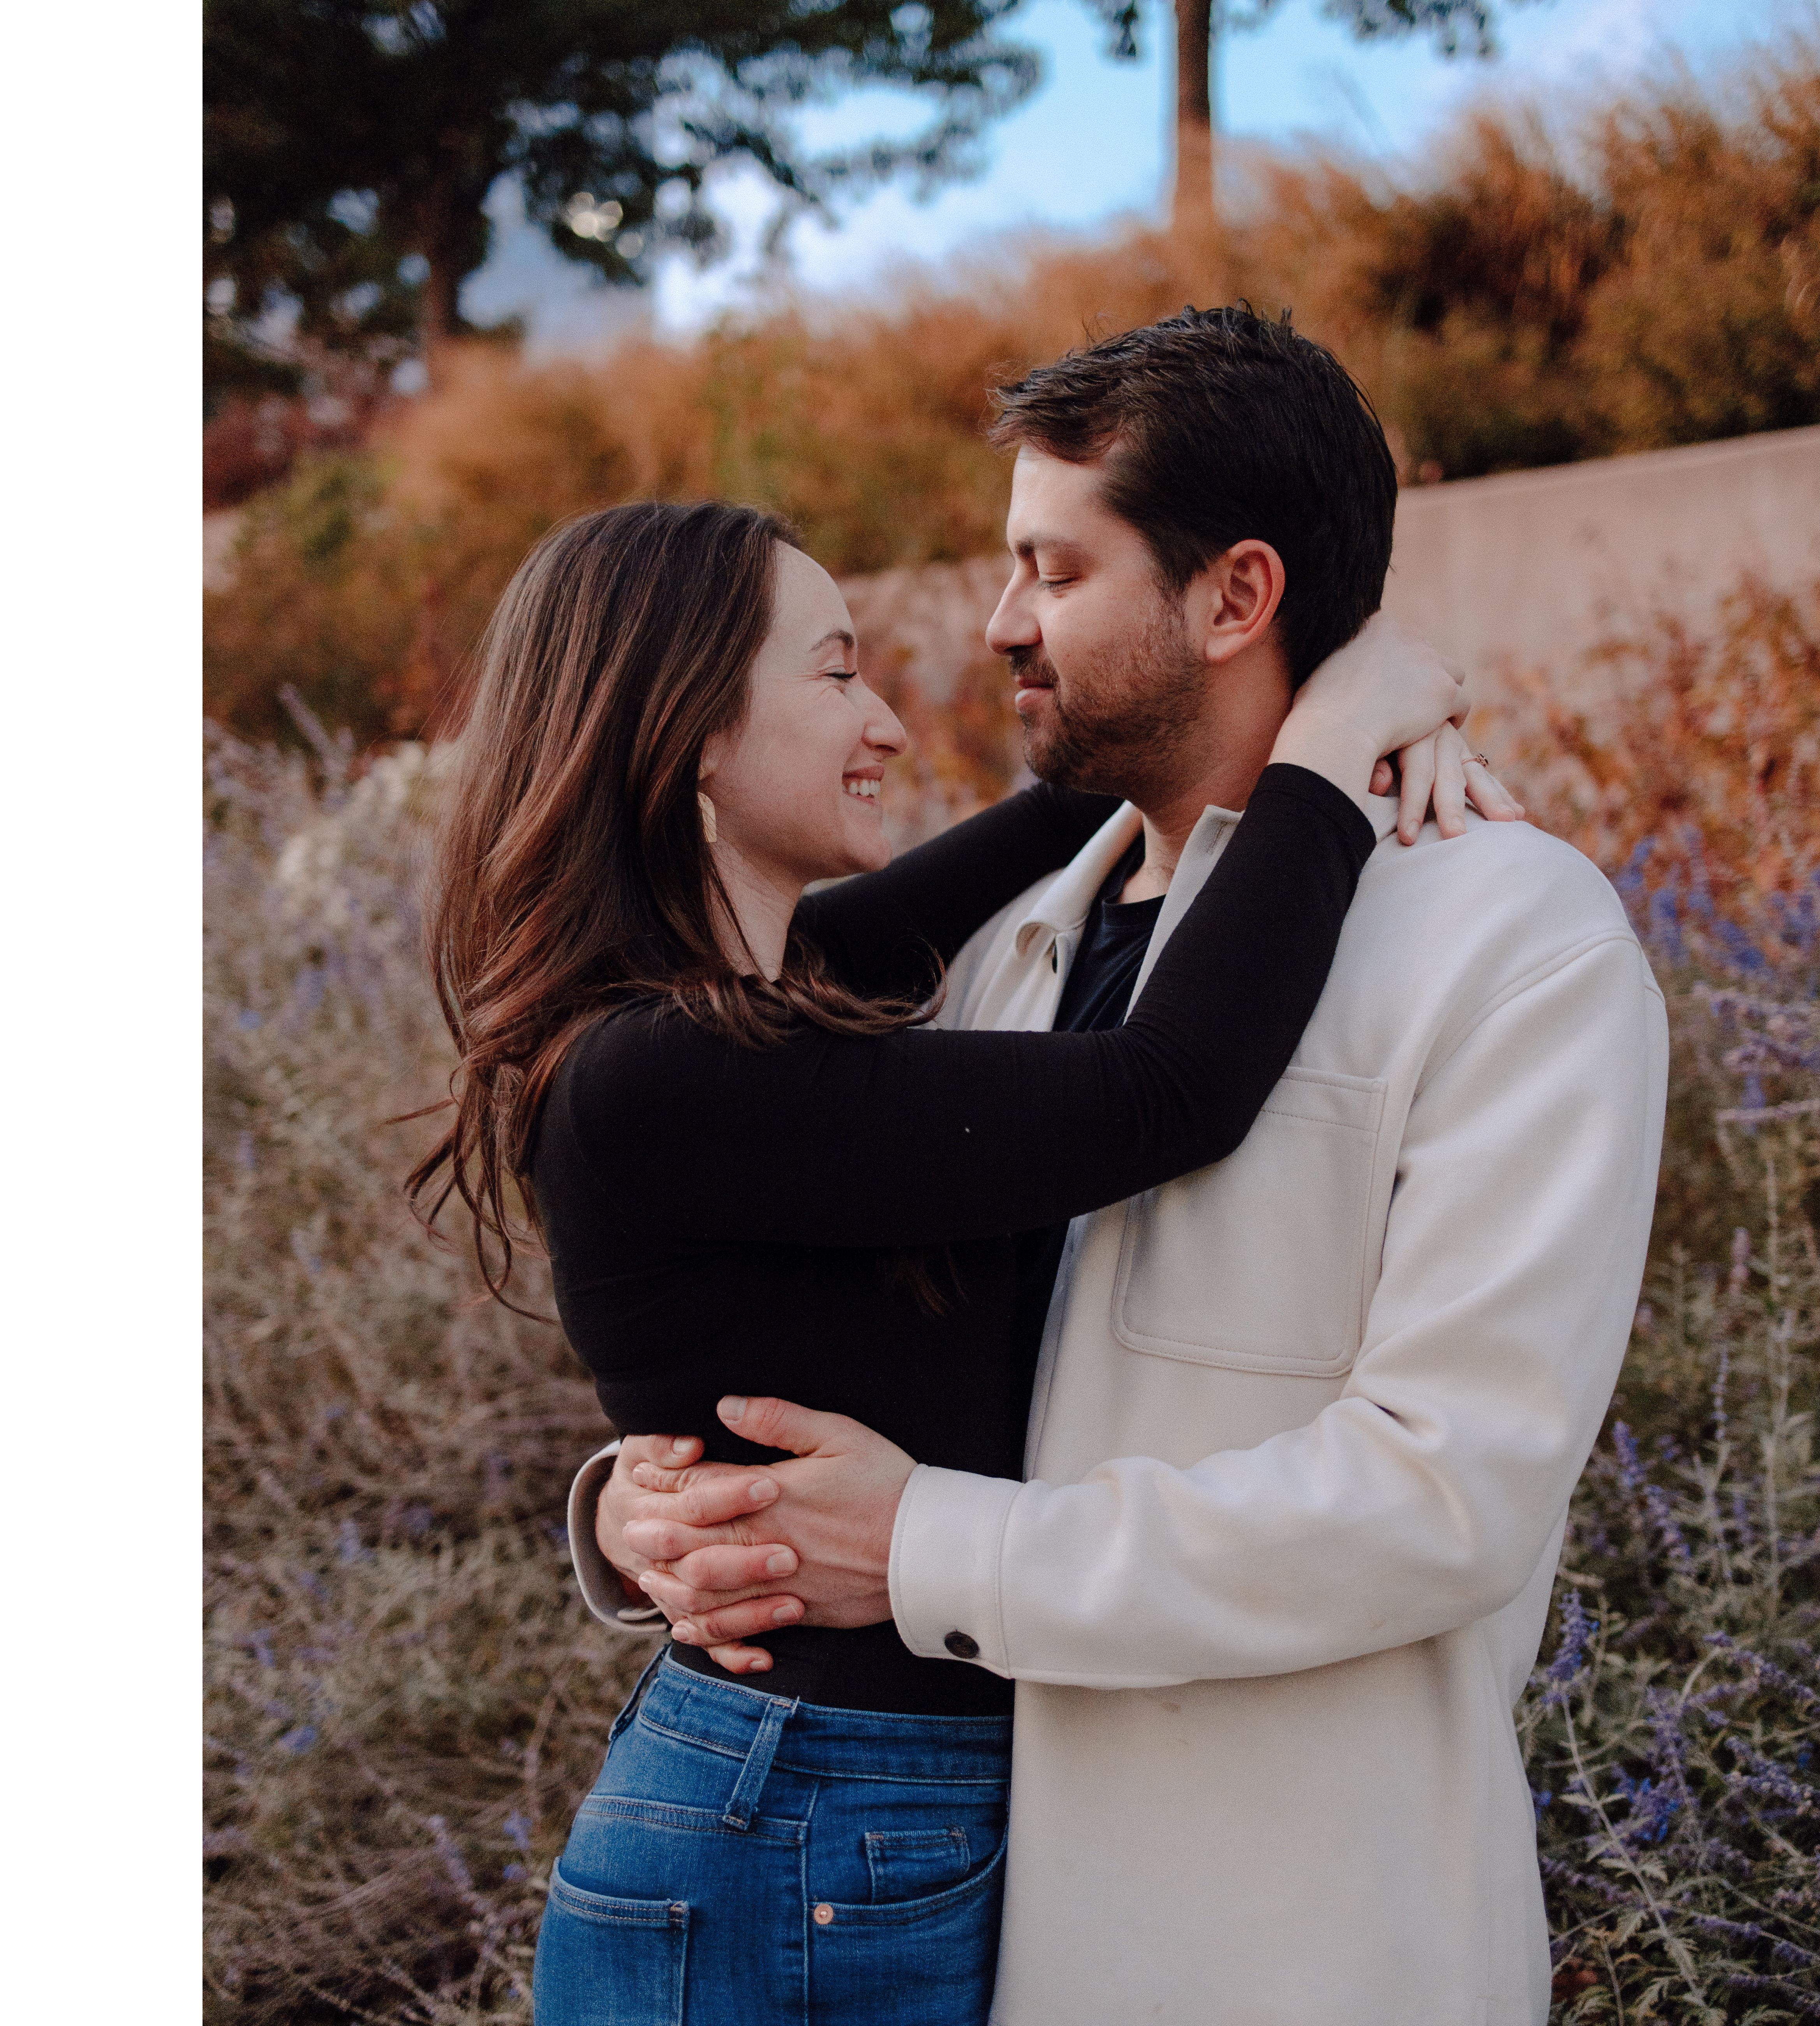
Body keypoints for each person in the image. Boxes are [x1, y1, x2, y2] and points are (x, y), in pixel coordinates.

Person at [581, 306, 1669, 2025]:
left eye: (1055, 569)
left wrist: (927, 1545)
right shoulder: (988, 942)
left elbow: (1447, 1490)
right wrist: (656, 1496)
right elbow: (819, 1288)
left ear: (1235, 598)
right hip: (942, 1914)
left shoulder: (1507, 938)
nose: (999, 622)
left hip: (1286, 1942)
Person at [407, 488, 1507, 2025]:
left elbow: (1072, 807)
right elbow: (1169, 1089)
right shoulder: (664, 1069)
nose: (885, 722)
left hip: (836, 1808)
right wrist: (1326, 753)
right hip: (801, 1823)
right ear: (692, 736)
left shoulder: (762, 1000)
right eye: (835, 672)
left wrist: (1327, 674)